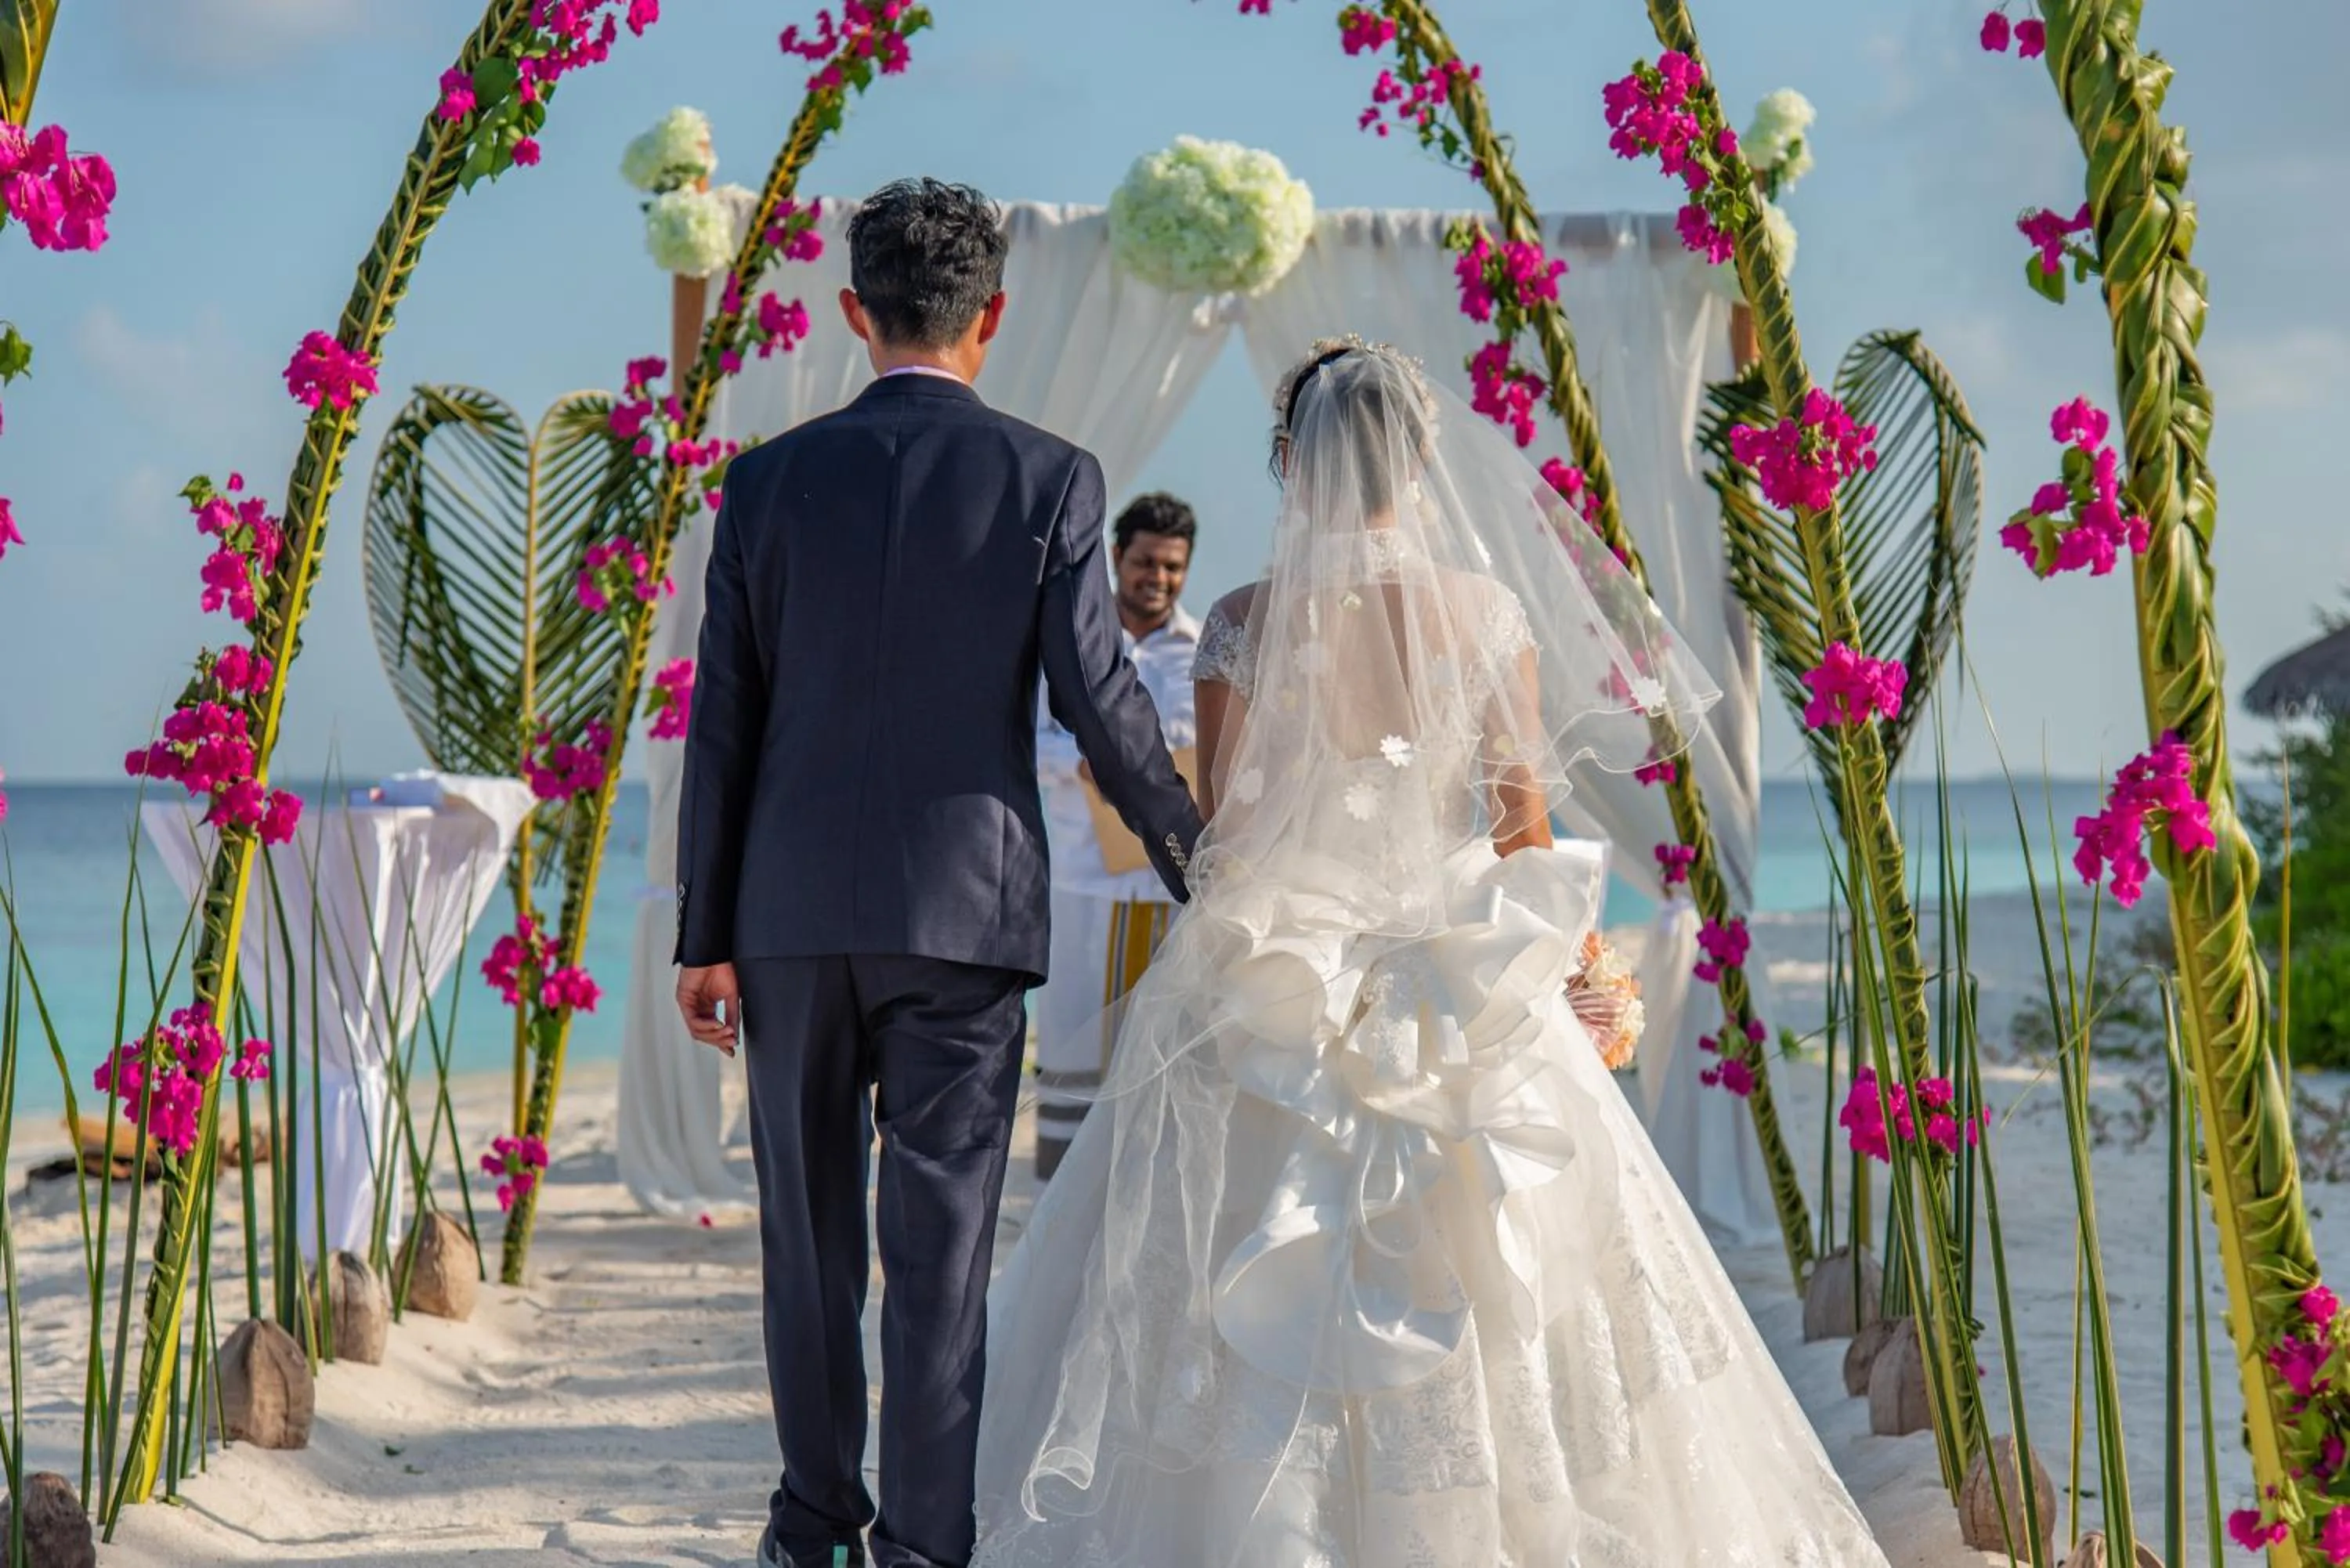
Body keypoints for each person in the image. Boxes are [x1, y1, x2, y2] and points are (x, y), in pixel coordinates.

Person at [971, 340, 1890, 1566]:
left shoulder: (1243, 620)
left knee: (1222, 1251)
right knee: (1508, 1257)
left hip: (1286, 972)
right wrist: (1578, 967)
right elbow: (1522, 824)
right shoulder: (1484, 610)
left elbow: (1228, 833)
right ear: (1424, 457)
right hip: (1457, 966)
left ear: (1290, 464)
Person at [672, 178, 1204, 1568]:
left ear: (855, 312)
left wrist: (701, 932)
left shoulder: (765, 481)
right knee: (942, 1255)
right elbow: (1103, 704)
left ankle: (809, 1524)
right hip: (966, 922)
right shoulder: (1051, 477)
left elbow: (720, 716)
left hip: (784, 919)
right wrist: (1201, 853)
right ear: (996, 316)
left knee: (808, 1243)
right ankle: (919, 1548)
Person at [1032, 492, 1201, 1180]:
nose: (1157, 578)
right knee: (1077, 1042)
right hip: (1083, 878)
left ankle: (1146, 1189)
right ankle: (1062, 1192)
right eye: (1144, 563)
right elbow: (1026, 738)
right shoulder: (1072, 638)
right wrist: (1080, 763)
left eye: (1172, 566)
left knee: (1159, 1051)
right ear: (1116, 558)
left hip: (1168, 881)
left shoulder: (1199, 650)